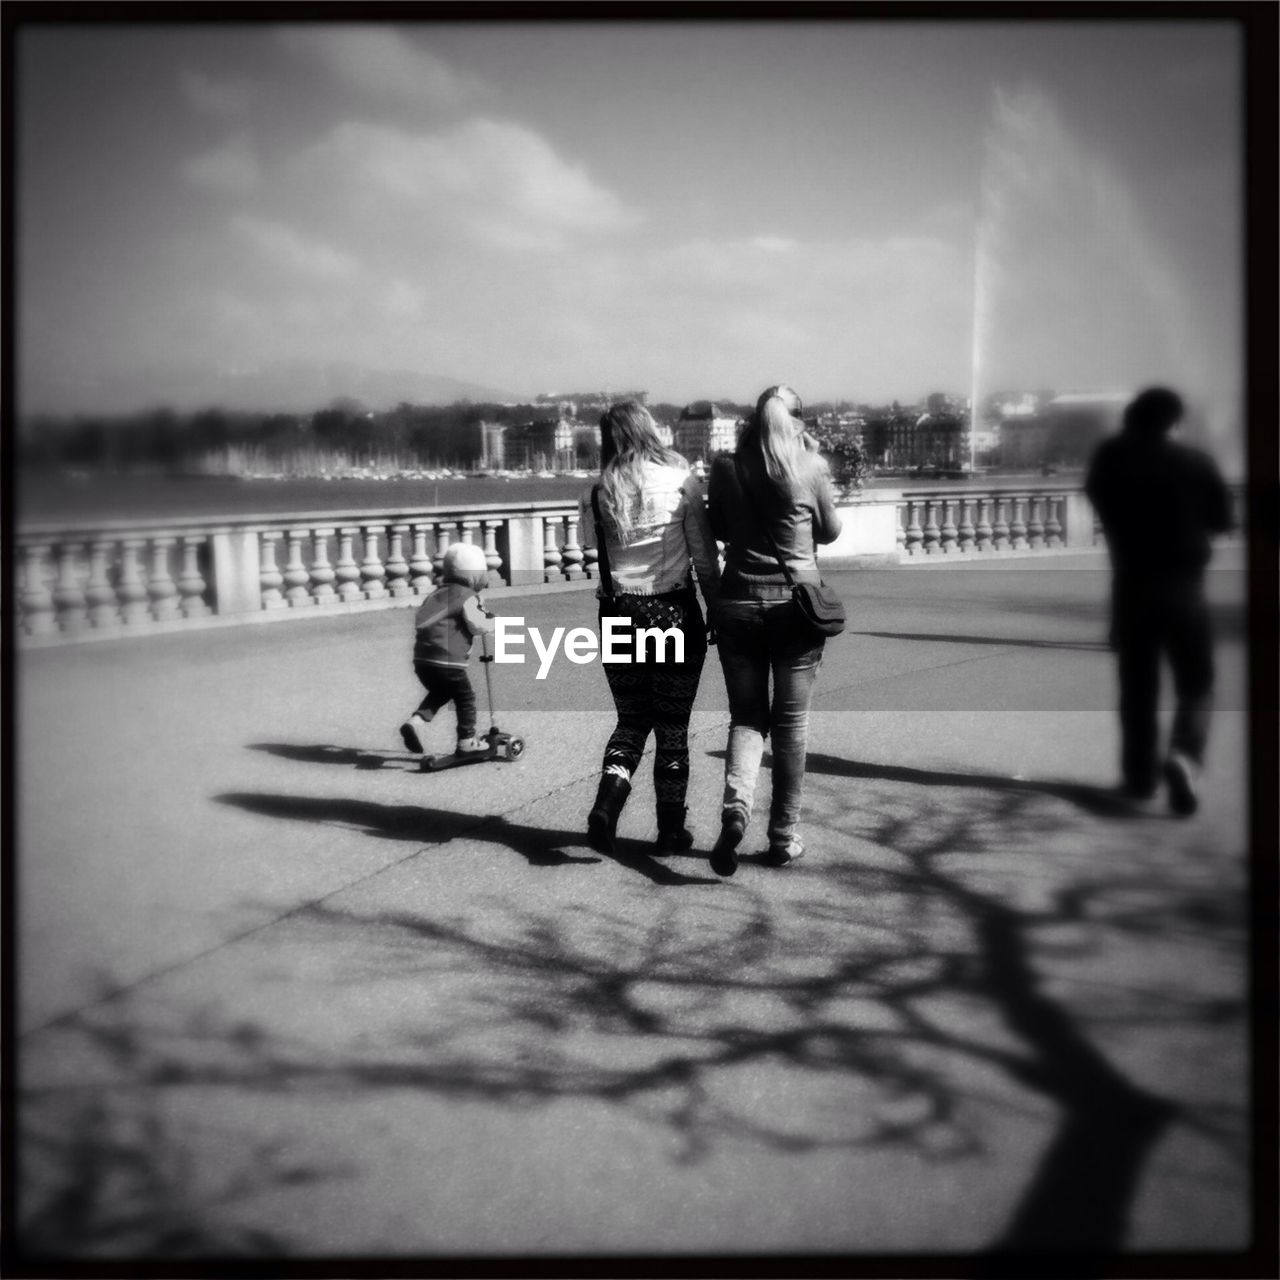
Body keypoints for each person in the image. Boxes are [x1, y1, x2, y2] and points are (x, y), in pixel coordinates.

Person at [706, 384, 842, 874]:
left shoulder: (726, 467)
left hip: (738, 602)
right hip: (796, 607)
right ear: (797, 420)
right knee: (791, 729)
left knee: (746, 719)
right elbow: (829, 530)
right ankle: (783, 836)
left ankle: (736, 812)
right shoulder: (811, 466)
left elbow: (717, 527)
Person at [579, 401, 721, 854]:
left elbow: (588, 544)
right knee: (673, 727)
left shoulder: (599, 491)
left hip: (619, 615)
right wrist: (715, 606)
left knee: (631, 720)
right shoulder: (680, 481)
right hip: (673, 613)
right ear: (649, 430)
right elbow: (702, 554)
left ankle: (608, 802)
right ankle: (671, 829)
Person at [1085, 386, 1233, 815]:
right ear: (1173, 421)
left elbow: (1100, 502)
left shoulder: (1111, 458)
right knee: (1197, 682)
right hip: (1184, 588)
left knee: (1137, 686)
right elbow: (1222, 520)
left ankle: (1140, 777)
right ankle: (1185, 756)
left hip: (1130, 584)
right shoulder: (1195, 462)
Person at [399, 542, 497, 757]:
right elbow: (477, 624)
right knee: (466, 698)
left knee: (441, 692)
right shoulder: (467, 596)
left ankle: (415, 722)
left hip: (423, 660)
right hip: (448, 661)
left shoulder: (435, 594)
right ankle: (466, 741)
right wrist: (491, 621)